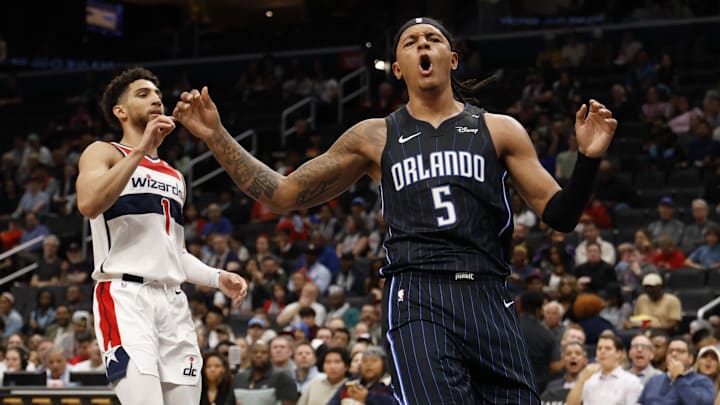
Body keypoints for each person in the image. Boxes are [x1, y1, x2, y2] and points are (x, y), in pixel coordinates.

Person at [174, 17, 617, 404]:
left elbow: (559, 215)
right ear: (399, 68)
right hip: (417, 294)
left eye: (433, 39)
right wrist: (216, 137)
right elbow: (284, 194)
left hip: (488, 292)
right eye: (411, 41)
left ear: (453, 59)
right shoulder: (375, 136)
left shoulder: (498, 129)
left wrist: (590, 160)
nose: (423, 44)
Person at [75, 67, 248, 405]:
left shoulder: (173, 175)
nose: (156, 99)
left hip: (173, 303)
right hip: (125, 296)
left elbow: (174, 252)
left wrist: (216, 277)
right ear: (120, 112)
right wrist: (141, 149)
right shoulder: (104, 152)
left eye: (157, 94)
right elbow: (89, 204)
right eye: (143, 94)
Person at [566, 334, 643, 405]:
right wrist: (582, 379)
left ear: (619, 354)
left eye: (608, 348)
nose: (602, 351)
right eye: (599, 348)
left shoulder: (631, 382)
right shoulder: (588, 380)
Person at [637, 337, 715, 405]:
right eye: (670, 351)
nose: (674, 354)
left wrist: (679, 377)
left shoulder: (703, 381)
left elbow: (699, 403)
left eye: (680, 351)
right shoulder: (654, 380)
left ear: (690, 358)